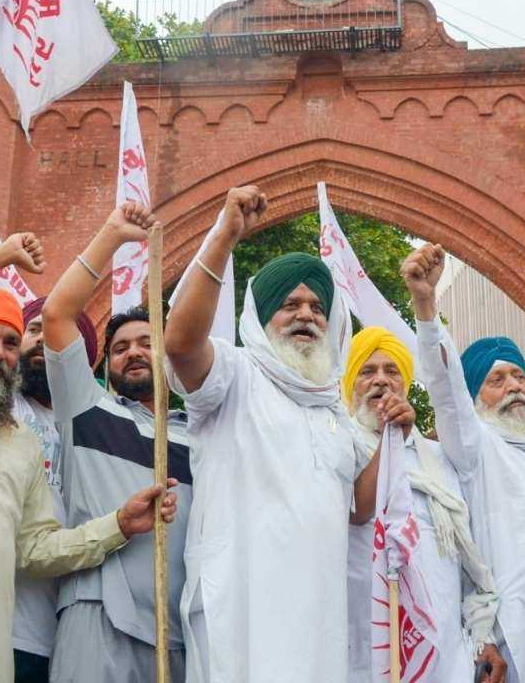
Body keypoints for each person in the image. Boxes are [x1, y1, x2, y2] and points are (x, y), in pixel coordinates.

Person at [163, 188, 410, 682]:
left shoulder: (335, 413)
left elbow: (359, 510)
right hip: (244, 608)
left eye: (318, 307)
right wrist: (224, 236)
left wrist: (384, 431)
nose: (306, 314)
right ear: (260, 316)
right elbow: (179, 344)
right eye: (290, 304)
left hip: (318, 616)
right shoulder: (235, 374)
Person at [0, 283, 178, 682]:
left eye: (8, 341)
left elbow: (33, 546)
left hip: (8, 642)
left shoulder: (22, 439)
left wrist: (119, 525)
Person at [403, 242, 525, 683]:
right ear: (476, 398)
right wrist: (426, 304)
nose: (513, 387)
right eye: (495, 379)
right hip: (521, 636)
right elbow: (445, 389)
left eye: (519, 375)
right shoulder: (477, 447)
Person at [38, 210, 194, 683]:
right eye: (121, 347)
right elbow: (57, 314)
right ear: (105, 365)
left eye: (147, 342)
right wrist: (111, 236)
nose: (133, 352)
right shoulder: (86, 409)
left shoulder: (199, 431)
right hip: (98, 611)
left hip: (180, 630)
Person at [341, 326, 505, 683]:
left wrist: (482, 638)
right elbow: (355, 510)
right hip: (371, 650)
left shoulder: (438, 457)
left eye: (392, 371)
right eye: (368, 371)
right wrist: (391, 439)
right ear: (351, 384)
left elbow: (466, 555)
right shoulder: (340, 445)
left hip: (446, 649)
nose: (381, 381)